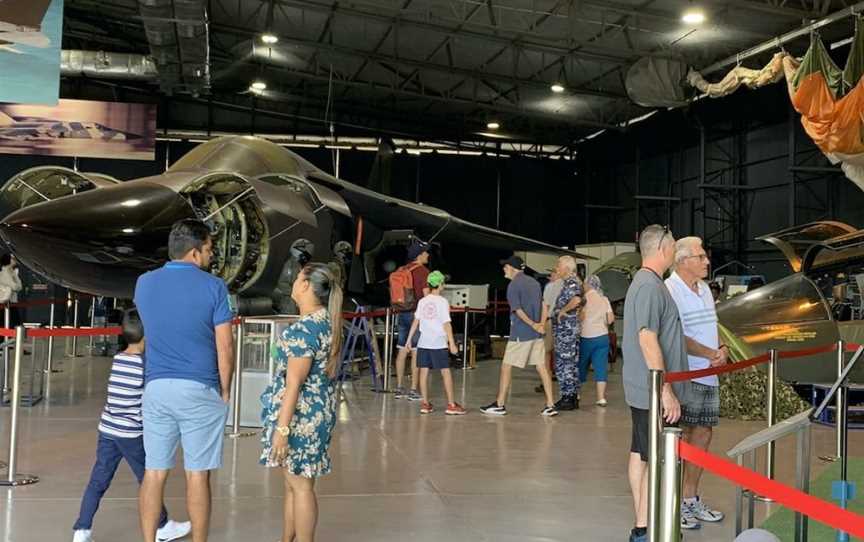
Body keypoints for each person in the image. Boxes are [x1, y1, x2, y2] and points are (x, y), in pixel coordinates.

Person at [135, 219, 235, 542]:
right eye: (208, 250)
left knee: (154, 473)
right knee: (197, 474)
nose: (210, 256)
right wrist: (226, 388)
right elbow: (225, 344)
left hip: (156, 389)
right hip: (199, 389)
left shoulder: (144, 284)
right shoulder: (215, 286)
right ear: (194, 253)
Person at [72, 310, 190, 542]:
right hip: (131, 433)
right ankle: (162, 526)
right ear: (149, 337)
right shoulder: (144, 366)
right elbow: (152, 399)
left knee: (99, 479)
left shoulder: (118, 359)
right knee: (149, 479)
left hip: (108, 429)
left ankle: (81, 530)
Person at [260, 263, 343, 542]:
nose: (293, 282)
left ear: (306, 285)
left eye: (297, 278)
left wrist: (281, 432)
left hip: (300, 418)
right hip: (318, 411)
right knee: (294, 484)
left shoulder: (304, 329)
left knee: (301, 487)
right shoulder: (324, 320)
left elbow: (294, 383)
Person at [622, 225, 688, 542]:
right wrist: (666, 391)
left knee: (641, 453)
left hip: (642, 390)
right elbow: (648, 339)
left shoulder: (647, 283)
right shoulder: (649, 286)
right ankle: (644, 529)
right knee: (654, 459)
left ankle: (643, 523)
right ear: (662, 247)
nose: (676, 251)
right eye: (674, 245)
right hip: (652, 392)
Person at [665, 237, 727, 529]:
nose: (706, 261)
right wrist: (709, 353)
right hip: (685, 375)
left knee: (703, 434)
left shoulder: (704, 289)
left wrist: (722, 349)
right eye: (700, 257)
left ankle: (690, 499)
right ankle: (673, 503)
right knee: (680, 438)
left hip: (708, 374)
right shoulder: (669, 290)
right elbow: (675, 336)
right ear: (682, 261)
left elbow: (711, 326)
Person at [480, 256, 557, 417]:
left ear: (513, 268)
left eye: (506, 267)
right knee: (542, 367)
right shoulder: (535, 283)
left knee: (506, 366)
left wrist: (533, 324)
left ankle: (500, 404)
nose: (504, 269)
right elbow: (544, 305)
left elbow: (518, 310)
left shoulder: (513, 285)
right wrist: (541, 324)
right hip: (536, 334)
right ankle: (550, 404)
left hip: (521, 334)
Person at [405, 270, 466, 415]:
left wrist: (409, 339)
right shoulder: (442, 302)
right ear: (439, 284)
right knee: (445, 372)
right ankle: (451, 404)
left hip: (423, 342)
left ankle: (425, 404)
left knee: (423, 372)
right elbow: (446, 324)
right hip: (438, 343)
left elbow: (416, 321)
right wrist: (451, 343)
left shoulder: (422, 301)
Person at [393, 240, 431, 402]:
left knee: (402, 349)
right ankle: (414, 389)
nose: (428, 255)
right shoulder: (423, 271)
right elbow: (427, 296)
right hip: (417, 315)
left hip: (402, 312)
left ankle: (400, 387)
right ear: (419, 255)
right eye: (426, 252)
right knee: (415, 350)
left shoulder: (402, 270)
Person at [552, 256, 583, 411]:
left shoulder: (572, 282)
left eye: (558, 265)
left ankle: (568, 398)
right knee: (569, 364)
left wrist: (562, 311)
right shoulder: (569, 283)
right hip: (566, 332)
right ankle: (571, 397)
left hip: (567, 333)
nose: (556, 267)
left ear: (566, 267)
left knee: (565, 364)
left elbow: (577, 300)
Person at [579, 275, 614, 406]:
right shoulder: (604, 299)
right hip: (602, 337)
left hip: (586, 337)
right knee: (601, 368)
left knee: (581, 367)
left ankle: (577, 394)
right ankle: (601, 398)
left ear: (588, 285)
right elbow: (610, 319)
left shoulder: (583, 300)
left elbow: (580, 318)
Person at [536, 269, 562, 394]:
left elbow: (545, 306)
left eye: (552, 273)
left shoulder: (550, 287)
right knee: (561, 353)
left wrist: (541, 324)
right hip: (564, 322)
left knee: (546, 353)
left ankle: (545, 381)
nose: (550, 276)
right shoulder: (566, 286)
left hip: (550, 321)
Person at [0, 253, 23, 325]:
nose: (15, 260)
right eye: (13, 258)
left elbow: (19, 287)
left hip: (11, 303)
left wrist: (13, 274)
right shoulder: (4, 273)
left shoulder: (11, 272)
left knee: (15, 327)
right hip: (3, 304)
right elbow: (16, 287)